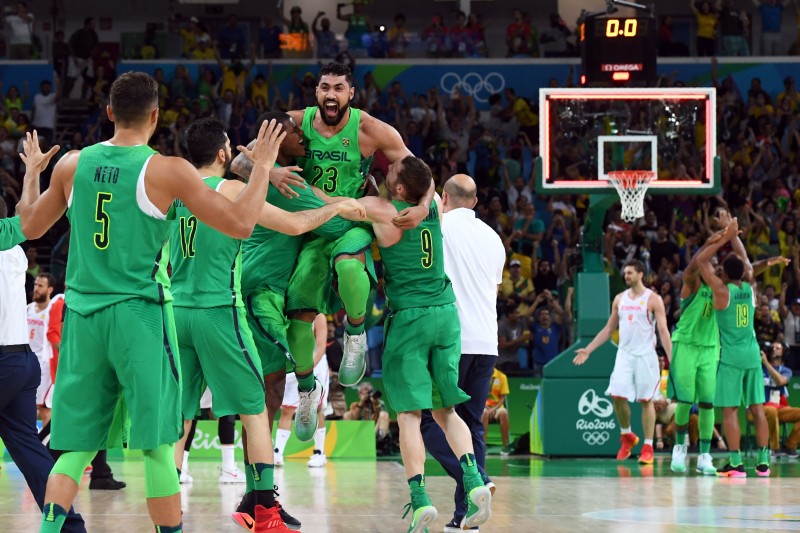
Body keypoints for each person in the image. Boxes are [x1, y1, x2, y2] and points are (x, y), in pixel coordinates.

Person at [17, 71, 283, 533]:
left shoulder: (72, 165)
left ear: (109, 113)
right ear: (156, 117)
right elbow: (241, 224)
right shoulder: (166, 169)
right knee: (159, 447)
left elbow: (30, 227)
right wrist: (261, 166)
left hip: (82, 317)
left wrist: (31, 173)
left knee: (75, 449)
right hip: (140, 316)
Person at [169, 116, 362, 530]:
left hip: (176, 310)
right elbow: (293, 223)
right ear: (222, 153)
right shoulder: (235, 190)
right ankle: (264, 510)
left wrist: (261, 165)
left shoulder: (174, 194)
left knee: (181, 417)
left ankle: (166, 511)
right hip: (219, 308)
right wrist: (339, 205)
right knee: (255, 408)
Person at [231, 62, 429, 439]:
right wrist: (268, 170)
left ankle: (355, 333)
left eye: (339, 88)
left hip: (351, 221)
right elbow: (240, 160)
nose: (331, 95)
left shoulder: (369, 128)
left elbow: (418, 168)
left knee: (351, 268)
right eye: (324, 87)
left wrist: (422, 205)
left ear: (350, 94)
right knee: (300, 317)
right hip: (311, 229)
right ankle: (307, 389)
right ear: (316, 92)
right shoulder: (292, 122)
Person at [233, 110, 365, 531]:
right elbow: (338, 223)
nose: (305, 138)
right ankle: (259, 499)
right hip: (260, 294)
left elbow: (239, 162)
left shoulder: (264, 173)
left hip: (260, 289)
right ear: (276, 137)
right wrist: (349, 202)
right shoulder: (288, 182)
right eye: (296, 134)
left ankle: (254, 499)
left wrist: (260, 166)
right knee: (264, 398)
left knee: (268, 397)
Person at [357, 156, 492, 532]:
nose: (388, 172)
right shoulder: (432, 205)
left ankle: (420, 501)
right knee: (448, 411)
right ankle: (475, 480)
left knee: (410, 417)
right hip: (446, 315)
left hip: (410, 318)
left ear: (399, 189)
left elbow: (328, 202)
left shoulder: (381, 211)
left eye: (393, 174)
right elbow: (430, 184)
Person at [418, 173, 504, 532]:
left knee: (428, 421)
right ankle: (464, 517)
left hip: (450, 340)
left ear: (445, 199)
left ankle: (477, 480)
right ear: (476, 201)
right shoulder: (494, 238)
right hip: (487, 342)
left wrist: (434, 204)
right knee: (471, 427)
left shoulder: (439, 227)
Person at [0, 199, 86, 531]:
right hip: (23, 363)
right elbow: (29, 213)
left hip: (5, 361)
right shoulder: (18, 252)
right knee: (29, 450)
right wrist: (33, 174)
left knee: (29, 448)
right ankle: (70, 526)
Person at [573, 260, 672, 465]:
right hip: (624, 355)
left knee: (646, 401)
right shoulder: (619, 299)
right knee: (617, 396)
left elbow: (663, 331)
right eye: (625, 272)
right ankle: (627, 436)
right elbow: (609, 329)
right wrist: (589, 350)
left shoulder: (653, 299)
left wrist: (673, 359)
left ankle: (648, 447)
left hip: (646, 355)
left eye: (630, 272)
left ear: (640, 274)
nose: (626, 276)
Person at [695, 218, 770, 477]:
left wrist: (723, 237)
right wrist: (735, 236)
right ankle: (763, 461)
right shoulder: (750, 288)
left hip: (730, 358)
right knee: (757, 408)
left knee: (730, 411)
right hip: (752, 354)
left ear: (724, 274)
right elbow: (745, 259)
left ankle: (736, 463)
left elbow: (701, 262)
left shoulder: (720, 291)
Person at [667, 227, 725, 476]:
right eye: (709, 265)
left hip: (710, 349)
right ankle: (679, 448)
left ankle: (704, 455)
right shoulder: (691, 285)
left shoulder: (722, 291)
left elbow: (748, 270)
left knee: (708, 403)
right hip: (686, 346)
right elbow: (692, 266)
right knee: (684, 401)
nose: (713, 269)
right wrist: (715, 240)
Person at [275, 314, 332, 468]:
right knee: (287, 410)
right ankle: (277, 453)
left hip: (315, 366)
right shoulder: (288, 312)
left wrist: (307, 369)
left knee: (316, 408)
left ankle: (320, 453)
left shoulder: (319, 316)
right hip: (293, 367)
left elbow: (321, 347)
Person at [27, 272, 60, 426]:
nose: (36, 289)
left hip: (44, 365)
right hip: (26, 362)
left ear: (50, 289)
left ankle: (47, 447)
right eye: (35, 285)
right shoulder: (27, 309)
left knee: (45, 409)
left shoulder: (52, 311)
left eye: (41, 286)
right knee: (23, 407)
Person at [761, 341, 800, 456]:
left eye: (778, 348)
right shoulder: (758, 368)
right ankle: (775, 449)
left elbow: (781, 381)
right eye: (772, 347)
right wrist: (763, 362)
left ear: (783, 352)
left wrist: (767, 364)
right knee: (772, 411)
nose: (774, 349)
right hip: (761, 408)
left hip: (779, 407)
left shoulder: (786, 371)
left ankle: (790, 446)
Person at [482, 367, 511, 456]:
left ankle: (505, 445)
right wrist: (485, 406)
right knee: (484, 413)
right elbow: (477, 394)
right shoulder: (480, 375)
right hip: (484, 406)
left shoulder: (501, 376)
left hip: (497, 407)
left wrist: (494, 408)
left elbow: (503, 398)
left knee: (504, 413)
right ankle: (483, 445)